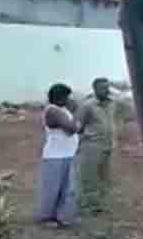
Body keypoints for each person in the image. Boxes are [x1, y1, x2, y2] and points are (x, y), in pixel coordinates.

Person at [35, 83, 79, 227]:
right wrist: (77, 119)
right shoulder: (53, 110)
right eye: (67, 96)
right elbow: (71, 129)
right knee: (52, 189)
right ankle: (46, 218)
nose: (69, 99)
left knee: (65, 188)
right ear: (60, 97)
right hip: (55, 156)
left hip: (66, 154)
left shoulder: (63, 110)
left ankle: (60, 217)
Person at [75, 77, 117, 215]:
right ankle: (88, 207)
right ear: (95, 89)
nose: (106, 90)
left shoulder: (112, 103)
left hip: (108, 144)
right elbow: (78, 126)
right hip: (92, 145)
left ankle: (100, 205)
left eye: (107, 87)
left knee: (104, 177)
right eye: (103, 87)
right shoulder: (87, 105)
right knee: (89, 177)